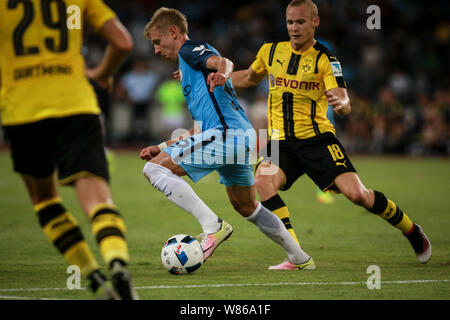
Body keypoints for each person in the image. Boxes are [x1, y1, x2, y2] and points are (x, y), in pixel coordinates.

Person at [231, 0, 431, 268]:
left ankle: (411, 230)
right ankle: (297, 254)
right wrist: (218, 77)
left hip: (317, 140)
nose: (294, 27)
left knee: (358, 195)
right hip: (279, 141)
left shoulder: (326, 59)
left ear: (315, 22)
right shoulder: (270, 51)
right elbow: (248, 78)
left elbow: (343, 99)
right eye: (290, 22)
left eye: (300, 22)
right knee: (263, 183)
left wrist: (343, 105)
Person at [140, 7, 315, 270]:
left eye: (157, 41)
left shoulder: (191, 50)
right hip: (239, 139)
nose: (156, 49)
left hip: (225, 137)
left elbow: (223, 62)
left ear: (173, 32)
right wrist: (163, 146)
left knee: (153, 169)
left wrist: (223, 72)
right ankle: (299, 257)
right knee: (247, 206)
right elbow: (200, 127)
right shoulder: (188, 69)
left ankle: (213, 226)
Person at [0, 0, 138, 299]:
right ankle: (117, 263)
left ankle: (93, 278)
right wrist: (102, 72)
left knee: (45, 199)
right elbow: (123, 42)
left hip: (23, 110)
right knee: (98, 200)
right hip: (75, 104)